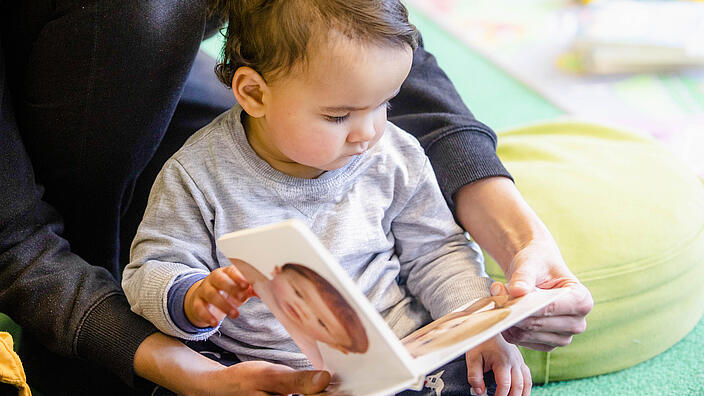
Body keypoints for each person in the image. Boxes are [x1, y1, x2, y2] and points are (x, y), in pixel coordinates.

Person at [0, 0, 592, 395]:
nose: (370, 131)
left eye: (384, 103)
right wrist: (192, 298)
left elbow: (436, 250)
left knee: (473, 378)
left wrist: (477, 323)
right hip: (259, 367)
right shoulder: (195, 175)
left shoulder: (390, 151)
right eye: (339, 115)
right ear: (252, 93)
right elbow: (150, 272)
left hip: (399, 347)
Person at [233, 260, 370, 368]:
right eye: (298, 293)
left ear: (336, 345)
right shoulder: (248, 275)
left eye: (321, 322)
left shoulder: (339, 363)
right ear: (276, 271)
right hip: (240, 359)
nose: (302, 309)